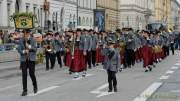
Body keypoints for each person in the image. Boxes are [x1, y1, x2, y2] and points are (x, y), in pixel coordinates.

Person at [17, 29, 38, 96]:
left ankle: (35, 86)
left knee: (32, 74)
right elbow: (19, 49)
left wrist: (29, 47)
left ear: (29, 33)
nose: (25, 35)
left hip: (31, 59)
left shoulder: (33, 40)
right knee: (24, 75)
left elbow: (35, 49)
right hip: (24, 59)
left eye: (27, 33)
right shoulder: (21, 40)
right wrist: (23, 51)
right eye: (24, 33)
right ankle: (25, 90)